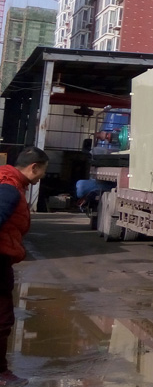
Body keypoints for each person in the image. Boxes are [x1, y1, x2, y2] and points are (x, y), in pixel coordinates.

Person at [0, 147, 47, 386]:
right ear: (33, 167)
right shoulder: (9, 189)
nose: (42, 177)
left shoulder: (8, 182)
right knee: (2, 320)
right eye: (43, 171)